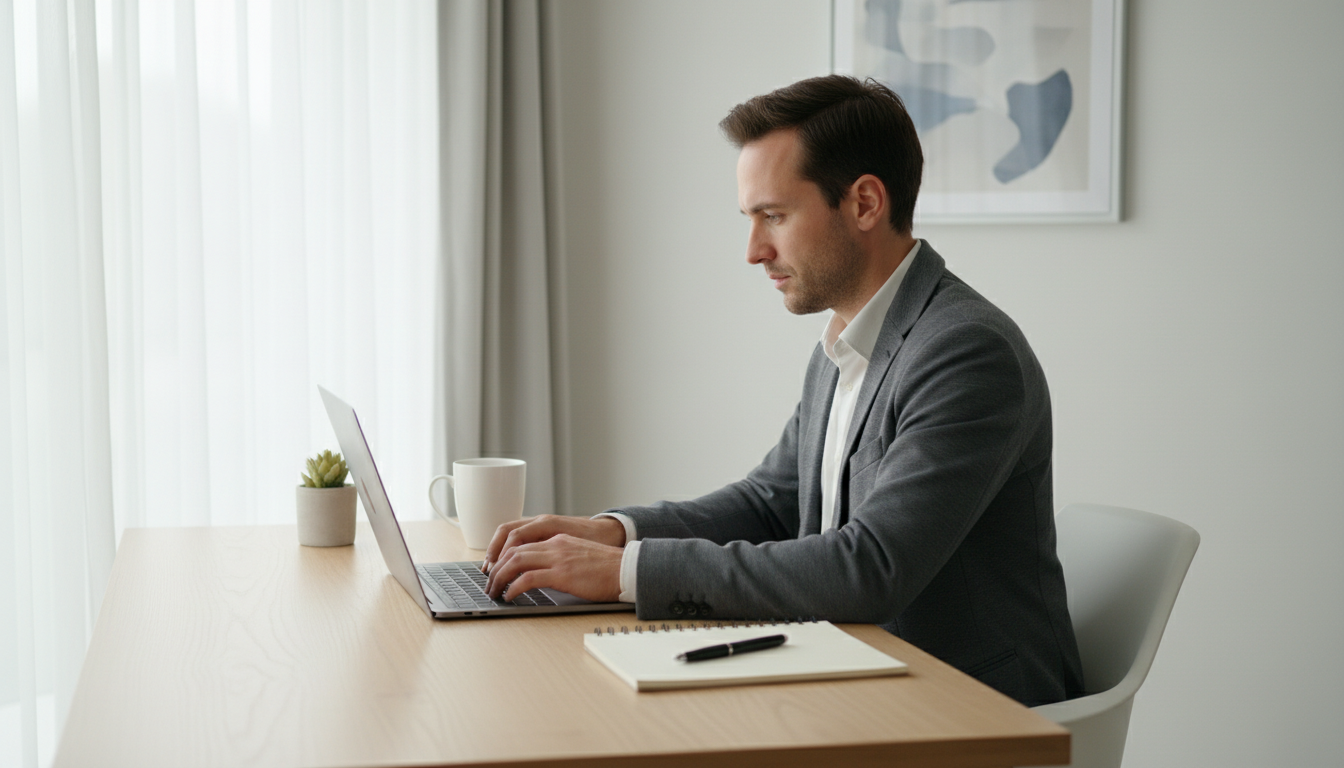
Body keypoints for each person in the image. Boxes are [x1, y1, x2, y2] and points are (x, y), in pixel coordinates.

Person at [482, 75, 1084, 706]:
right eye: (750, 218)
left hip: (964, 707)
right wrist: (615, 532)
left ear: (864, 204)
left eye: (773, 216)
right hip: (855, 675)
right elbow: (773, 503)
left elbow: (870, 567)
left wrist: (624, 574)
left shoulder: (965, 352)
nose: (753, 250)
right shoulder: (846, 341)